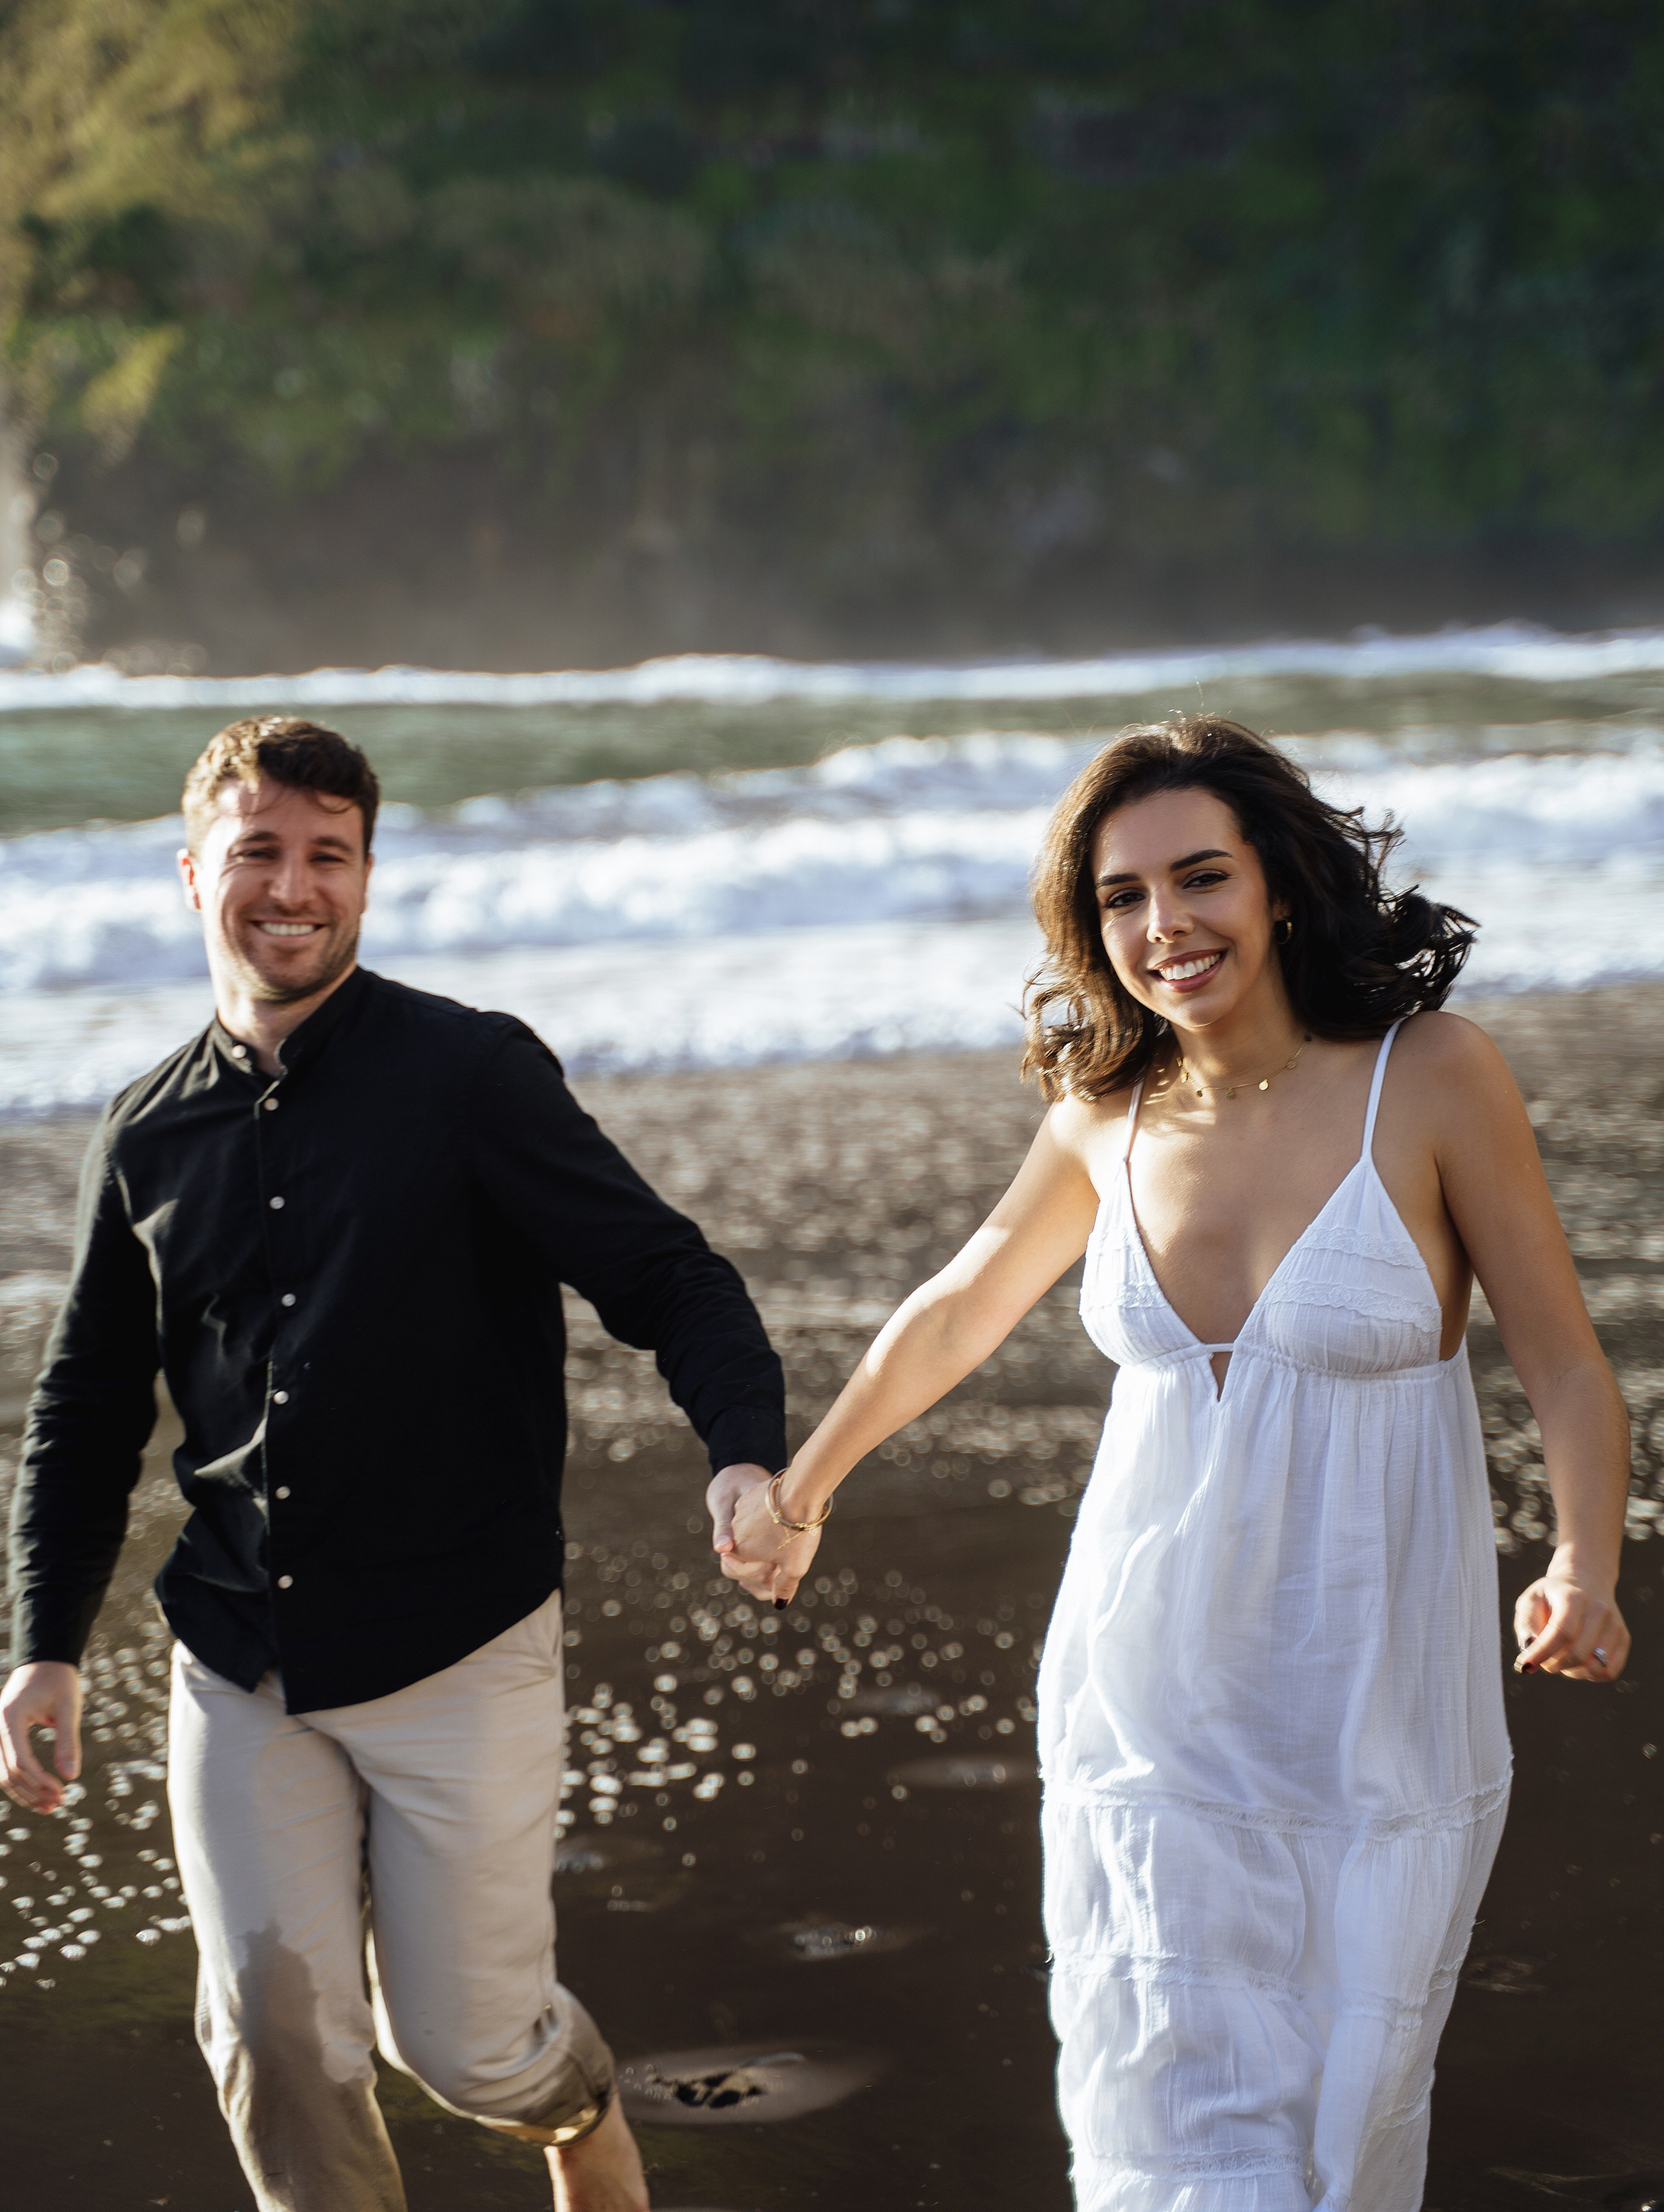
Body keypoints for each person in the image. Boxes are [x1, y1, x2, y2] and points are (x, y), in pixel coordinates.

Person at [724, 715, 1632, 2212]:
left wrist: (1581, 1566)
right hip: (1148, 1701)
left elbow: (1562, 1361)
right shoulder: (1105, 1112)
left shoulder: (1429, 1077)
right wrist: (801, 1490)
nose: (1163, 925)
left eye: (1198, 877)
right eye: (1120, 897)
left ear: (1276, 881)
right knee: (1164, 2115)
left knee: (1347, 2124)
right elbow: (955, 1309)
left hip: (1370, 1704)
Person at [1, 714, 789, 2212]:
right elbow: (85, 1409)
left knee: (471, 2052)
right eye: (259, 852)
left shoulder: (469, 1074)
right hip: (239, 1651)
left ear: (367, 874)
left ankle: (578, 2109)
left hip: (458, 1643)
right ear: (193, 874)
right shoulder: (144, 1135)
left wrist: (741, 1456)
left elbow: (668, 1277)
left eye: (329, 855)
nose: (293, 888)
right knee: (273, 2040)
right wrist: (45, 1646)